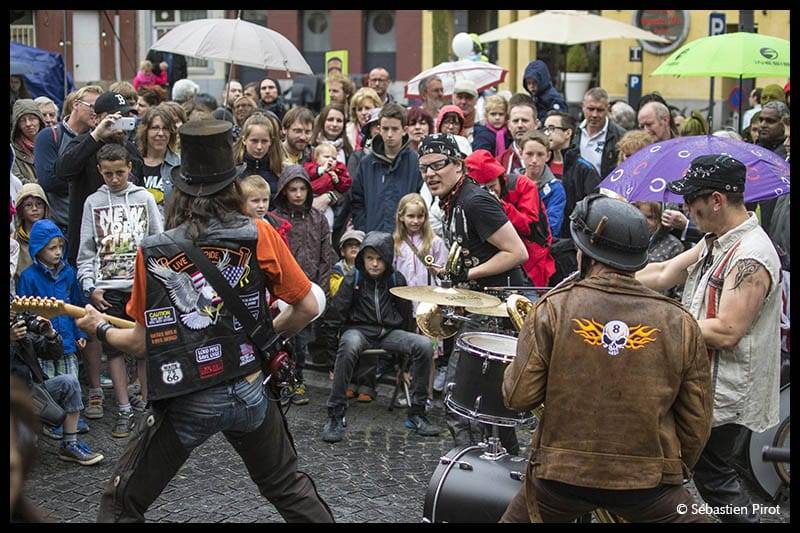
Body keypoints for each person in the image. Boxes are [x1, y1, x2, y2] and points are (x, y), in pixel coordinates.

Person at [74, 119, 334, 523]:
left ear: (181, 190)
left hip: (190, 397)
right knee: (289, 489)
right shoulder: (260, 233)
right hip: (250, 390)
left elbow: (143, 343)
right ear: (232, 186)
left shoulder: (155, 251)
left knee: (122, 502)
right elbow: (306, 307)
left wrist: (101, 328)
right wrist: (268, 335)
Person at [500, 193, 712, 523]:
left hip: (560, 476)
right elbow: (697, 420)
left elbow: (518, 395)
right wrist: (670, 468)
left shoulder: (553, 308)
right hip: (648, 482)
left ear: (584, 253)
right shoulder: (679, 321)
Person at [635, 155, 782, 523]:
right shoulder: (714, 239)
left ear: (716, 200)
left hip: (727, 391)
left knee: (715, 478)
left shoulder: (752, 254)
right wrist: (610, 278)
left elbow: (728, 331)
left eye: (692, 201)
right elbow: (666, 271)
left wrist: (660, 321)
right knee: (706, 473)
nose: (687, 208)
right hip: (704, 384)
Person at [419, 133, 528, 454]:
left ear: (458, 165)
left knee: (460, 399)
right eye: (424, 168)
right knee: (493, 405)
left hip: (497, 311)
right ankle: (502, 464)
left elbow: (516, 252)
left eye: (438, 165)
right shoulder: (452, 201)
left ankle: (469, 469)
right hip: (482, 308)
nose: (430, 174)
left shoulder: (473, 201)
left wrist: (467, 274)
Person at [77, 143, 164, 437]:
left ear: (130, 168)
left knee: (143, 347)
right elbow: (86, 250)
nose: (114, 179)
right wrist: (91, 286)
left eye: (120, 172)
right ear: (100, 171)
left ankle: (147, 403)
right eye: (108, 174)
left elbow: (157, 241)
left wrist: (156, 280)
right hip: (108, 288)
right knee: (113, 349)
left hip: (141, 285)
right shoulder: (93, 202)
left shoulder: (144, 199)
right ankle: (124, 407)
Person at [321, 231, 441, 443]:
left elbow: (406, 318)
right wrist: (331, 360)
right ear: (362, 259)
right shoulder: (352, 278)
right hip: (359, 331)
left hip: (389, 332)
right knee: (348, 345)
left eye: (379, 259)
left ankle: (417, 413)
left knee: (423, 344)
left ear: (387, 259)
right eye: (369, 258)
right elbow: (334, 317)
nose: (374, 264)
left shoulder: (396, 278)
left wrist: (400, 365)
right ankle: (335, 415)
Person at [54, 92, 144, 266]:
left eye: (124, 116)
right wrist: (96, 136)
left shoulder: (130, 149)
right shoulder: (82, 143)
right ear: (97, 119)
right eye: (114, 117)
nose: (119, 122)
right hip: (87, 248)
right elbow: (62, 171)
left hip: (123, 246)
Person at [17, 218, 89, 431]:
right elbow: (24, 311)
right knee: (49, 382)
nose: (57, 252)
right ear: (38, 249)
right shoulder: (28, 277)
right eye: (51, 248)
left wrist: (80, 332)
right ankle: (53, 421)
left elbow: (77, 305)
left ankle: (72, 421)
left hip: (67, 341)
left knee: (71, 379)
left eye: (60, 247)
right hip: (43, 343)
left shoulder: (69, 273)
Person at [271, 165, 331, 406]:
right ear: (284, 191)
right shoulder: (275, 218)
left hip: (311, 288)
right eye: (292, 189)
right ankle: (284, 380)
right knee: (284, 337)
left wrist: (323, 289)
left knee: (302, 339)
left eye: (302, 189)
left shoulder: (318, 220)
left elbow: (326, 256)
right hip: (283, 289)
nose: (297, 194)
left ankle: (299, 379)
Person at [11, 313, 104, 466]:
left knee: (69, 382)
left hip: (31, 390)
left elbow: (53, 353)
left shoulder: (21, 329)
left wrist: (50, 334)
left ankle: (69, 445)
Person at [465, 149, 554, 287]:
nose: (490, 192)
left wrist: (500, 206)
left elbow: (529, 226)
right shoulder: (470, 197)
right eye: (484, 189)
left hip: (531, 263)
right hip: (493, 263)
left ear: (500, 178)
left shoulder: (523, 185)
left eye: (492, 186)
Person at [34, 86, 103, 235]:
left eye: (99, 108)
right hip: (59, 229)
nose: (95, 112)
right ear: (76, 105)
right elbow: (49, 181)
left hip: (93, 227)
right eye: (92, 106)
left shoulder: (100, 139)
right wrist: (86, 179)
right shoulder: (49, 136)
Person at [351, 103, 423, 234]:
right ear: (379, 129)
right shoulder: (366, 163)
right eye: (385, 129)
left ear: (404, 130)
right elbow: (357, 202)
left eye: (395, 129)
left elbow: (422, 201)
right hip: (372, 239)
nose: (389, 134)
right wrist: (364, 229)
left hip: (407, 239)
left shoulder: (416, 162)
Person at [544, 111, 602, 238]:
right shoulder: (542, 165)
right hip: (545, 237)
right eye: (545, 129)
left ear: (568, 133)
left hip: (570, 240)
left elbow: (594, 208)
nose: (547, 133)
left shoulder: (584, 169)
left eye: (552, 128)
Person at [137, 104, 181, 217]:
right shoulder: (133, 164)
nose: (160, 133)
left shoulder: (179, 165)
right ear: (145, 131)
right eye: (155, 128)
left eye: (165, 128)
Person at [572, 88, 626, 179]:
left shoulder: (620, 136)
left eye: (600, 110)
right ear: (583, 107)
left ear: (608, 109)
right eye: (591, 109)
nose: (595, 115)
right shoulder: (573, 132)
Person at [520, 132, 565, 240]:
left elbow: (551, 228)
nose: (534, 160)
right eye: (529, 154)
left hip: (542, 247)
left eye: (540, 154)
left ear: (548, 156)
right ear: (521, 153)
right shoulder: (511, 182)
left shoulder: (556, 189)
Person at [235, 113, 285, 203]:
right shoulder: (233, 170)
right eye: (254, 141)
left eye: (264, 141)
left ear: (271, 142)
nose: (259, 147)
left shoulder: (279, 170)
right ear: (244, 140)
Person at [303, 143, 352, 229]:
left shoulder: (338, 170)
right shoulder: (311, 166)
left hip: (327, 203)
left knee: (328, 221)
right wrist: (320, 170)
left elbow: (346, 184)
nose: (330, 160)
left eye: (333, 158)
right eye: (326, 157)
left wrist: (337, 180)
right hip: (310, 198)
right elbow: (307, 173)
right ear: (316, 158)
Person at [13, 183, 50, 283]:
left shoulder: (53, 236)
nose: (35, 209)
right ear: (20, 210)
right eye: (28, 205)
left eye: (39, 204)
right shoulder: (14, 240)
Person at [499, 98, 538, 176]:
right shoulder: (500, 162)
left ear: (536, 124)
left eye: (525, 120)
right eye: (515, 121)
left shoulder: (547, 157)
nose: (520, 125)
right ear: (509, 125)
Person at [11, 99, 46, 184]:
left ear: (39, 120)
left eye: (32, 118)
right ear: (17, 125)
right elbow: (17, 181)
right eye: (23, 120)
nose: (28, 124)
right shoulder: (12, 151)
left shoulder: (50, 144)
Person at [522, 59, 567, 124]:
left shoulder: (553, 99)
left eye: (535, 83)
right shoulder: (535, 97)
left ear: (542, 81)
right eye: (528, 83)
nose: (531, 86)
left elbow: (559, 121)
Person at [472, 94, 511, 158]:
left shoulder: (509, 133)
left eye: (501, 114)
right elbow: (481, 158)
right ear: (486, 115)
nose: (497, 118)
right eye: (493, 114)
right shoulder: (482, 135)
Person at [346, 87, 382, 152]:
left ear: (377, 108)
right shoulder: (346, 132)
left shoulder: (383, 129)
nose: (363, 113)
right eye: (359, 109)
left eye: (367, 108)